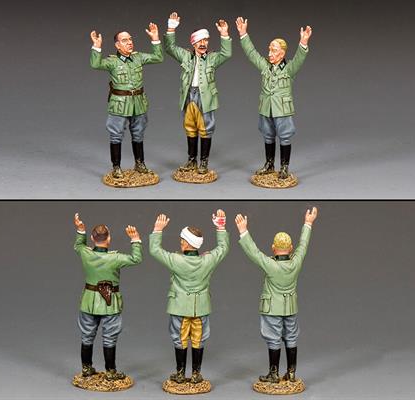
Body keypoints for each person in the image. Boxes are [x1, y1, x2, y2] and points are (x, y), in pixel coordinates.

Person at [234, 207, 318, 383]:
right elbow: (303, 246)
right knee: (291, 337)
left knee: (274, 340)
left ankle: (274, 373)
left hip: (272, 308)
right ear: (291, 248)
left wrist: (243, 231)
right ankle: (291, 373)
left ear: (273, 248)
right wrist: (308, 223)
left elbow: (254, 252)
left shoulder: (270, 264)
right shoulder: (296, 262)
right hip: (291, 308)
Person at [149, 210, 229, 384]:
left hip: (179, 307)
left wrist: (157, 230)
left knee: (180, 339)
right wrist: (221, 227)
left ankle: (180, 374)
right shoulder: (208, 260)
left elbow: (154, 250)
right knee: (199, 339)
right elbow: (223, 248)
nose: (180, 243)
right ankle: (196, 374)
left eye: (181, 241)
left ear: (186, 244)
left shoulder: (176, 260)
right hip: (201, 307)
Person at [235, 17, 312, 178]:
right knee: (268, 135)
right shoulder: (265, 66)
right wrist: (243, 34)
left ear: (282, 53)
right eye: (269, 50)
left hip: (282, 109)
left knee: (285, 137)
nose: (270, 54)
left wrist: (303, 42)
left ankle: (284, 167)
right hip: (266, 107)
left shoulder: (289, 69)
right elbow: (251, 53)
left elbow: (299, 58)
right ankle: (269, 164)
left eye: (274, 50)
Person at [73, 213, 142, 380]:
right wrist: (135, 240)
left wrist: (80, 230)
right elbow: (136, 259)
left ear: (92, 238)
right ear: (109, 239)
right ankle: (111, 371)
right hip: (110, 302)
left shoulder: (86, 253)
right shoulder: (115, 258)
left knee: (87, 335)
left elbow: (78, 245)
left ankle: (86, 368)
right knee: (110, 337)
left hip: (89, 301)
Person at [90, 23, 163, 178]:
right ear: (117, 45)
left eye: (130, 39)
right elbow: (95, 64)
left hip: (138, 102)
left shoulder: (138, 57)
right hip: (120, 103)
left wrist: (155, 39)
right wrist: (97, 47)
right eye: (124, 40)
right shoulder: (112, 61)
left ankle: (140, 163)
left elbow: (158, 57)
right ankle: (116, 167)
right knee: (116, 135)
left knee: (138, 133)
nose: (129, 42)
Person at [164, 12, 232, 174]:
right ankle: (192, 160)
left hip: (205, 96)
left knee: (206, 127)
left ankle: (204, 162)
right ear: (193, 43)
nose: (203, 44)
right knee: (190, 126)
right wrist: (171, 28)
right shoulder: (186, 56)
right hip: (189, 95)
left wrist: (224, 34)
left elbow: (226, 53)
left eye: (205, 40)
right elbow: (169, 48)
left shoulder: (212, 58)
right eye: (200, 41)